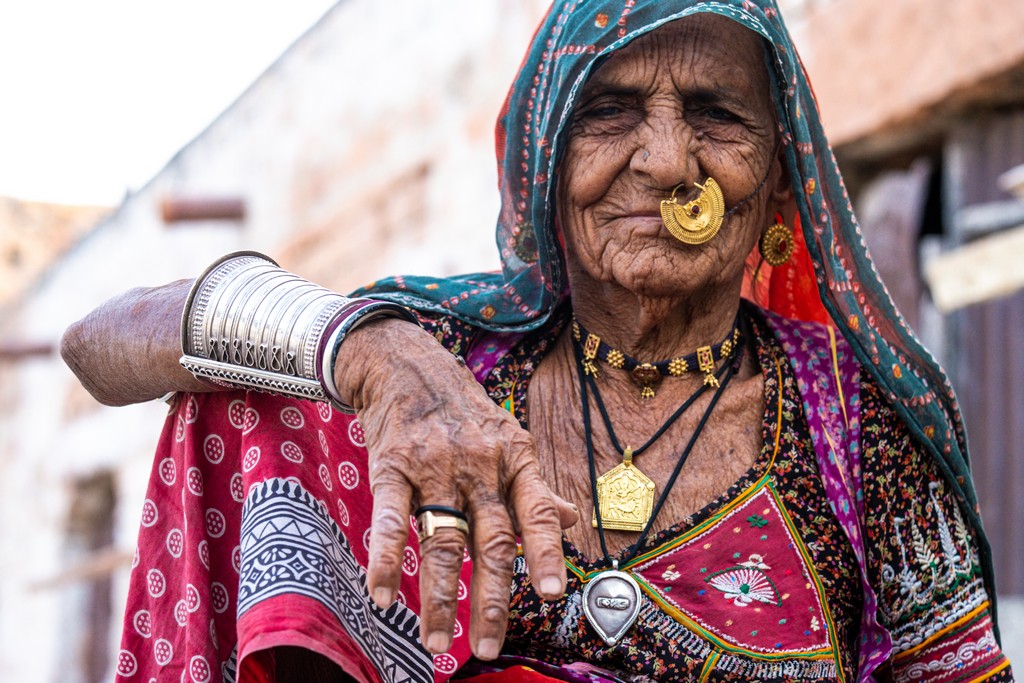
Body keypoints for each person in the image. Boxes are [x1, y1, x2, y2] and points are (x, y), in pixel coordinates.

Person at [62, 1, 1014, 681]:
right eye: (611, 110)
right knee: (249, 386)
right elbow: (98, 342)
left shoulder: (861, 420)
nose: (669, 159)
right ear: (543, 167)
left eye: (718, 116)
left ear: (777, 182)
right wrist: (369, 352)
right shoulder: (435, 364)